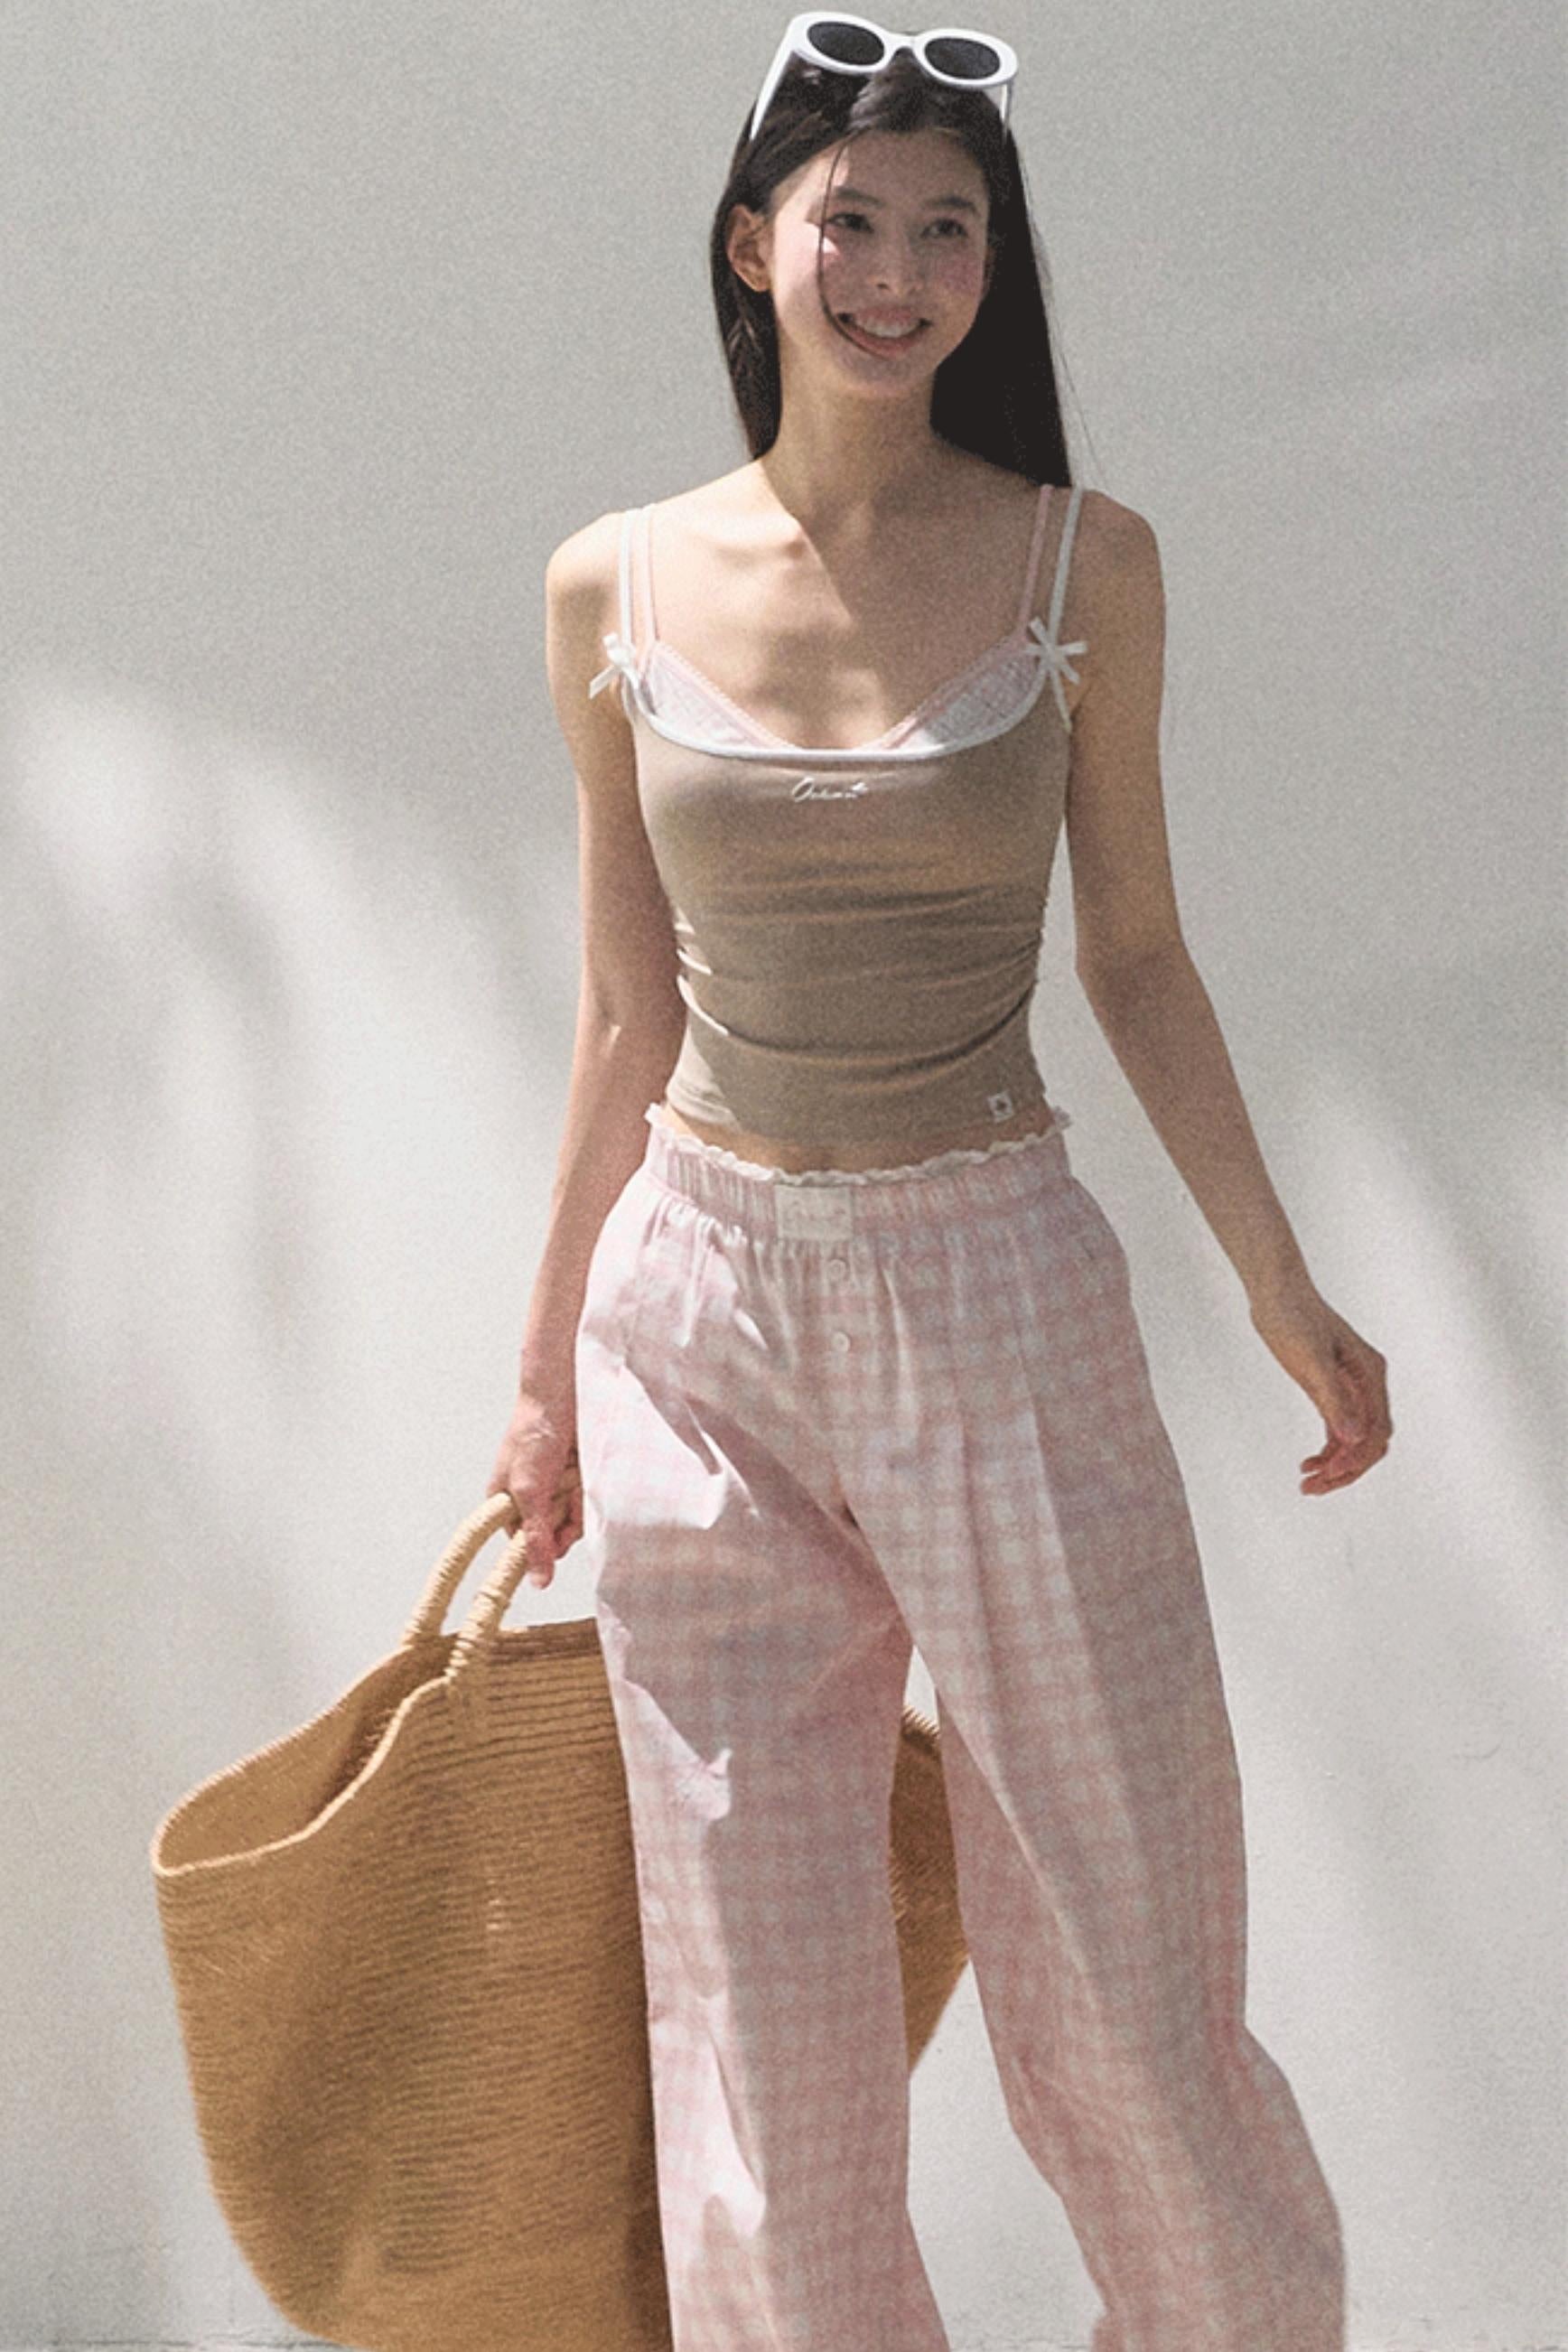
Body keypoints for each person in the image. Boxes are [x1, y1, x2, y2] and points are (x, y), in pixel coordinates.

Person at [489, 18, 1390, 2350]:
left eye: (948, 228)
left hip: (995, 1288)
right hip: (696, 1320)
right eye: (853, 220)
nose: (897, 273)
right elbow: (623, 1011)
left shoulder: (1088, 563)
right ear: (752, 245)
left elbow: (1139, 953)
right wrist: (543, 1379)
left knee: (1126, 1990)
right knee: (759, 2051)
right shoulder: (611, 586)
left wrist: (1281, 1286)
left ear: (996, 264)